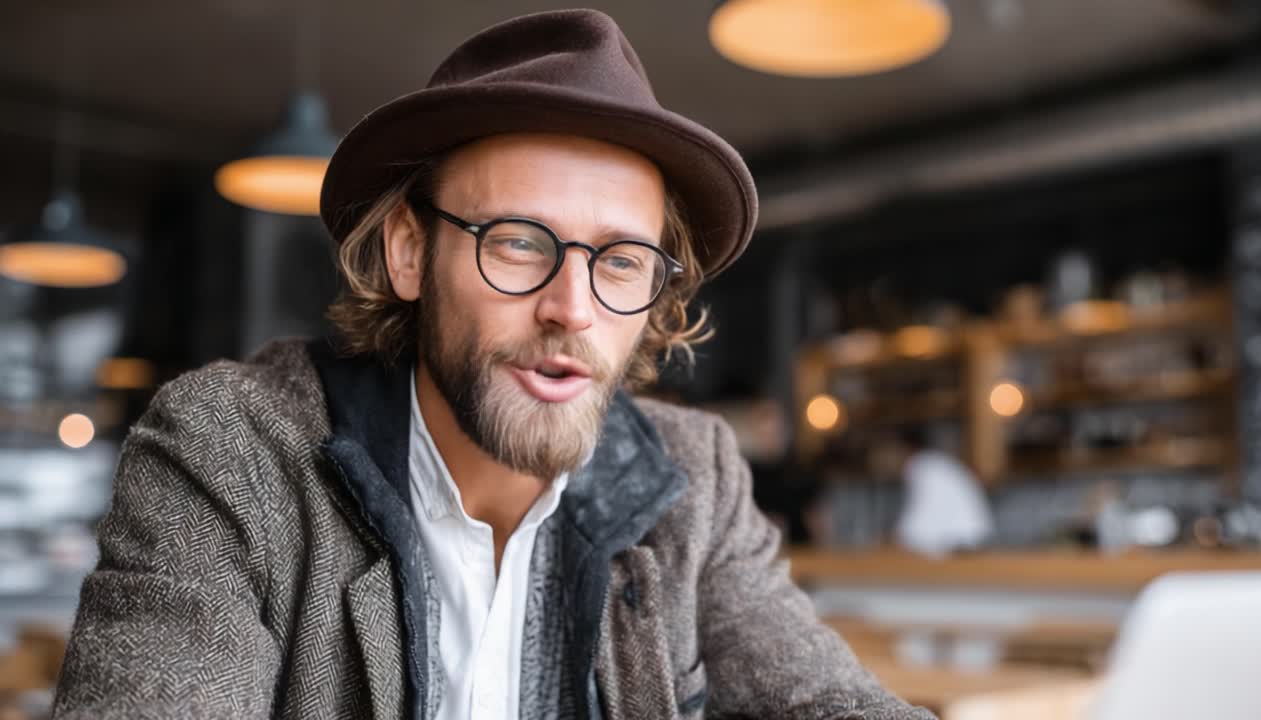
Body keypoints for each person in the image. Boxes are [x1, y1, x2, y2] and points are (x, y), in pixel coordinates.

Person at [52, 10, 933, 720]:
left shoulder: (694, 480)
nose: (572, 308)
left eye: (620, 260)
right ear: (408, 252)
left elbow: (829, 701)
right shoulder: (231, 453)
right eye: (518, 243)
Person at [895, 427, 994, 557]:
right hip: (975, 536)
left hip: (956, 542)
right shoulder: (940, 462)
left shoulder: (919, 465)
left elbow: (921, 508)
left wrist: (902, 536)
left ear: (905, 449)